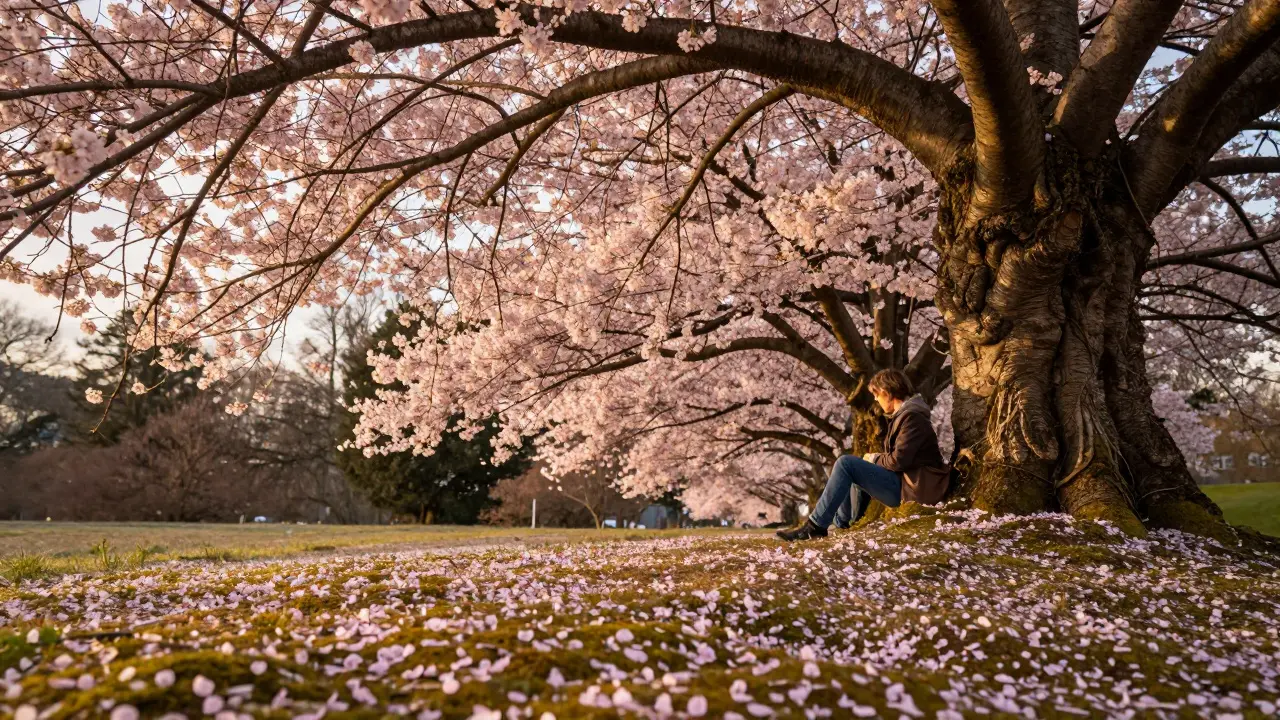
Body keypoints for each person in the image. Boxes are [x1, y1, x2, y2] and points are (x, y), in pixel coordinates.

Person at [777, 369, 949, 541]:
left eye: (876, 394)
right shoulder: (907, 415)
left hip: (913, 487)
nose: (875, 399)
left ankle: (814, 527)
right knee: (852, 467)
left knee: (846, 463)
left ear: (887, 392)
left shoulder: (913, 418)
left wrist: (874, 459)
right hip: (906, 482)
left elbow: (898, 461)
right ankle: (843, 525)